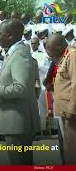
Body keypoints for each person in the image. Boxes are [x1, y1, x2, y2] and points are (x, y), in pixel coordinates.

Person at [0, 19, 40, 165]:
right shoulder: (13, 53)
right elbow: (13, 81)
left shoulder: (19, 55)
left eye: (0, 34)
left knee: (20, 163)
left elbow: (21, 89)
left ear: (10, 35)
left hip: (18, 122)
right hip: (15, 122)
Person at [46, 33, 76, 164]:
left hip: (70, 114)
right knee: (67, 150)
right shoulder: (63, 58)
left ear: (58, 46)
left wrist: (72, 109)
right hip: (63, 113)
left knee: (72, 151)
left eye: (48, 47)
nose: (47, 51)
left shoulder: (73, 56)